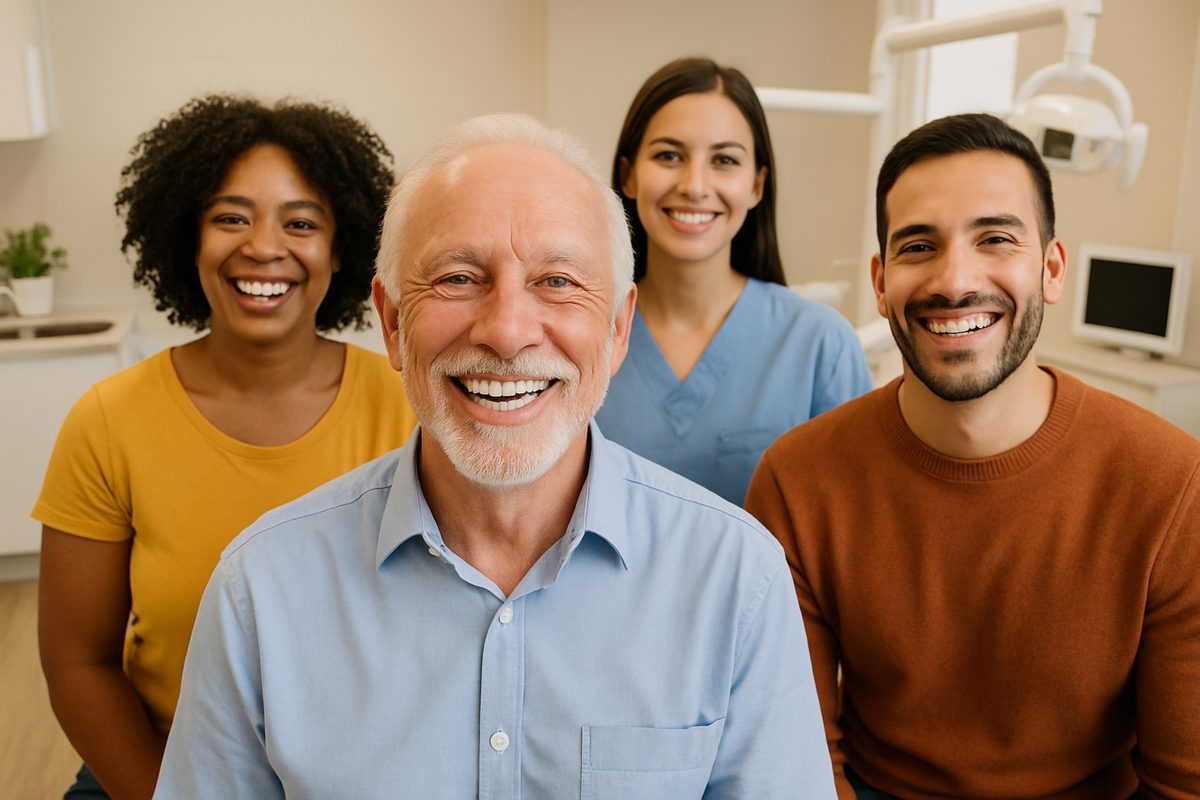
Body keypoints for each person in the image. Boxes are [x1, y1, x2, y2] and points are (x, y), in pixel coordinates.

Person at [153, 112, 837, 799]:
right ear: (392, 323)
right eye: (457, 278)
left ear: (618, 329)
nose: (507, 332)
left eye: (559, 282)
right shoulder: (260, 592)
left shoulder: (737, 581)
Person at [745, 113, 1200, 799]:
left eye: (995, 239)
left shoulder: (1171, 486)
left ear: (1051, 269)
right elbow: (802, 760)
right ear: (880, 280)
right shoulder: (798, 482)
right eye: (919, 246)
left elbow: (1183, 784)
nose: (955, 280)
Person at [34, 95, 419, 800]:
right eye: (230, 217)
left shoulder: (410, 409)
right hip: (159, 768)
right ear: (190, 239)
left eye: (300, 222)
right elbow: (76, 661)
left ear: (341, 250)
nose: (263, 246)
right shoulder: (107, 422)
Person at [594, 57, 873, 505]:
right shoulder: (580, 334)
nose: (695, 185)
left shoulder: (820, 345)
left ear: (757, 185)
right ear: (628, 175)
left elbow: (853, 523)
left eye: (724, 160)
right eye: (669, 155)